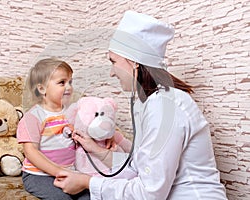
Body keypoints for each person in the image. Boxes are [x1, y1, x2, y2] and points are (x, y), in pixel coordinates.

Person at [53, 10, 227, 199]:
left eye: (113, 62)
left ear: (134, 62)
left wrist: (87, 182)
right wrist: (96, 150)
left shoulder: (165, 107)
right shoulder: (149, 103)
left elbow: (149, 193)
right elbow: (140, 167)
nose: (112, 73)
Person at [17, 58, 90, 200]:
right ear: (42, 88)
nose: (68, 87)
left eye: (70, 82)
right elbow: (31, 151)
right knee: (61, 198)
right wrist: (58, 171)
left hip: (71, 171)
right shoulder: (33, 117)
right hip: (39, 175)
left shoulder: (73, 111)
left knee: (91, 196)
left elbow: (90, 128)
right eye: (62, 82)